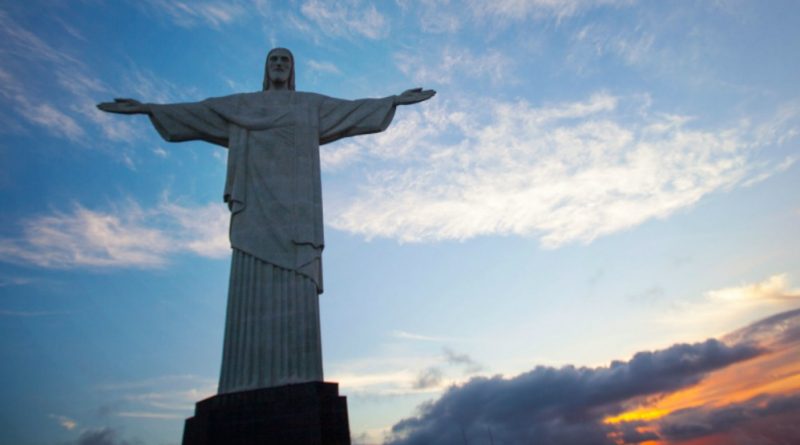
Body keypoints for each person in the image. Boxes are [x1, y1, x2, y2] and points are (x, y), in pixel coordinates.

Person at [98, 48, 435, 393]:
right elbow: (199, 111)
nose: (278, 65)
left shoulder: (308, 105)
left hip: (297, 218)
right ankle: (241, 382)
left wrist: (393, 101)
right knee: (249, 282)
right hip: (254, 212)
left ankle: (297, 376)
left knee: (297, 285)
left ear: (292, 70)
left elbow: (352, 110)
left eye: (285, 60)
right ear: (265, 68)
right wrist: (148, 108)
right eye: (273, 59)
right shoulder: (242, 105)